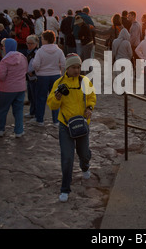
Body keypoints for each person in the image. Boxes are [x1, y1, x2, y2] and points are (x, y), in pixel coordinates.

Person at [47, 53, 97, 203]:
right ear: (67, 68)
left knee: (83, 153)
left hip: (82, 124)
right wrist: (57, 98)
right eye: (74, 67)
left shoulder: (85, 81)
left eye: (78, 67)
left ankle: (85, 165)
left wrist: (89, 108)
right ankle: (65, 189)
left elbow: (92, 97)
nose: (76, 70)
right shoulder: (59, 83)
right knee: (67, 158)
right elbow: (52, 105)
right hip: (65, 125)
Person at [0, 38, 28, 138]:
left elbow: (1, 76)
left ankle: (0, 129)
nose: (3, 48)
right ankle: (19, 130)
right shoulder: (22, 57)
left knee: (2, 110)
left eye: (4, 46)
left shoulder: (5, 60)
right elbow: (25, 70)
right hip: (20, 88)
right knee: (18, 110)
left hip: (6, 89)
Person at [32, 30, 66, 126]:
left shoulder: (40, 51)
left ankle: (40, 120)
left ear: (46, 40)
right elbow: (63, 63)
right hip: (55, 75)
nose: (41, 40)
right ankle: (56, 120)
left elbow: (35, 64)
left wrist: (38, 71)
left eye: (42, 39)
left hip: (42, 76)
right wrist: (60, 72)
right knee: (56, 97)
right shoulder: (59, 51)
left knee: (41, 98)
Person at [25, 35, 39, 119]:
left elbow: (40, 65)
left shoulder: (36, 53)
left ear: (36, 44)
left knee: (35, 97)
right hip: (29, 77)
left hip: (35, 77)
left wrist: (33, 73)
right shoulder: (29, 52)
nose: (29, 45)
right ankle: (32, 111)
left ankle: (36, 113)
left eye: (31, 43)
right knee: (30, 96)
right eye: (28, 43)